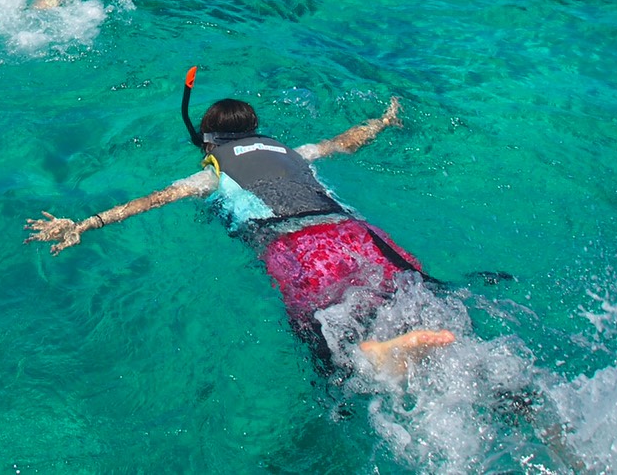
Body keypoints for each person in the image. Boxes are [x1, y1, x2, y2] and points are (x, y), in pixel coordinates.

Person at [25, 90, 455, 376]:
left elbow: (151, 200)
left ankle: (374, 357)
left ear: (207, 142)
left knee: (325, 349)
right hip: (355, 231)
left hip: (294, 244)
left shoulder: (210, 176)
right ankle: (420, 342)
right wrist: (382, 120)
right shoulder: (295, 152)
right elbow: (346, 140)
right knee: (411, 292)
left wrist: (85, 223)